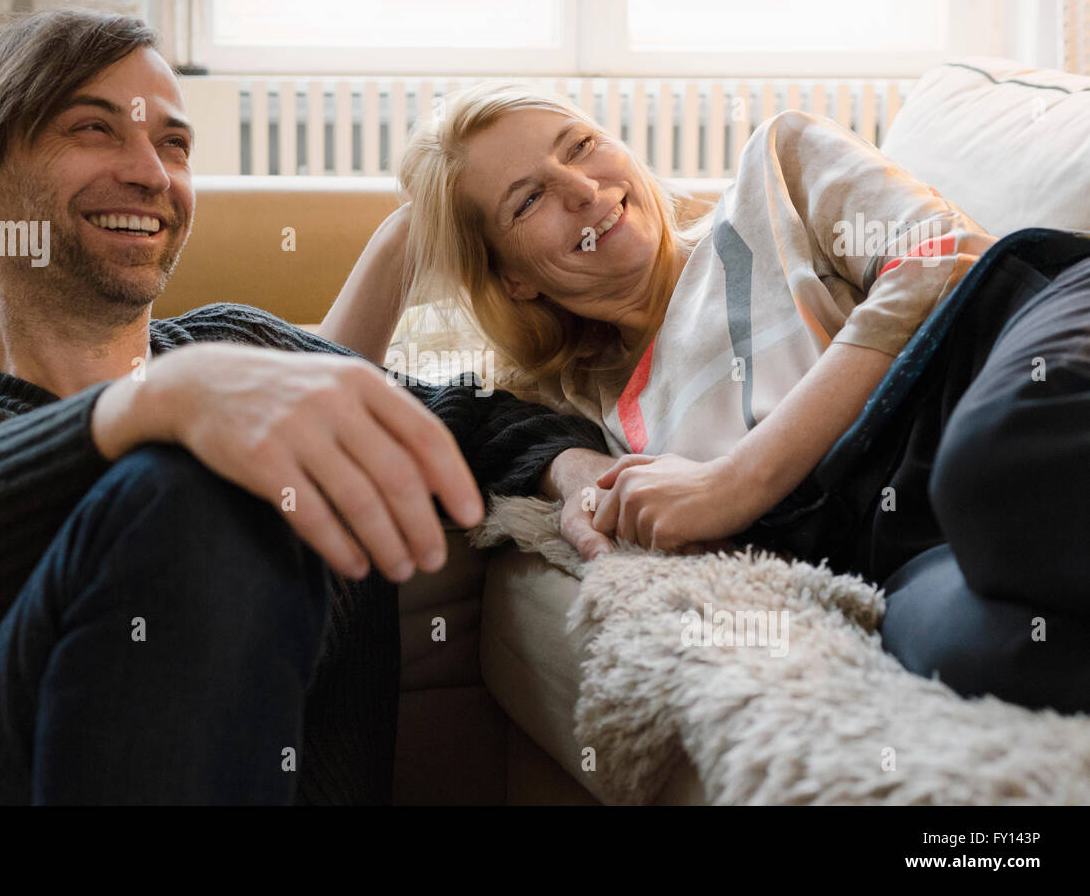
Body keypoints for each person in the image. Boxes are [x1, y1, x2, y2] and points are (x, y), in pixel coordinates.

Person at [0, 13, 616, 805]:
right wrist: (152, 409)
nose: (152, 173)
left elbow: (470, 418)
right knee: (193, 482)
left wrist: (579, 468)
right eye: (93, 128)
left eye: (173, 143)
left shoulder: (249, 359)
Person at [322, 83, 1090, 712]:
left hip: (1020, 348)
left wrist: (739, 478)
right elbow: (330, 395)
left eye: (581, 145)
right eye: (529, 201)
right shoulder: (584, 410)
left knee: (990, 476)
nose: (585, 191)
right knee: (964, 649)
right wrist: (403, 237)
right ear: (512, 276)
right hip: (918, 536)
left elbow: (943, 254)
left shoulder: (775, 168)